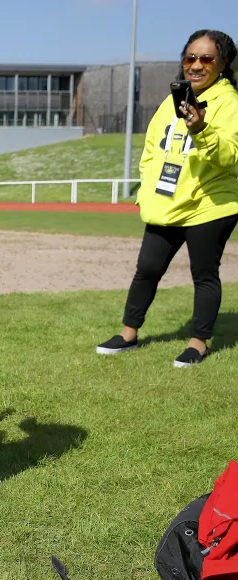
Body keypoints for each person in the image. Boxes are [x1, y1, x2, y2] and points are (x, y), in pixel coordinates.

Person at [96, 29, 238, 368]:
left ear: (223, 63)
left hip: (209, 204)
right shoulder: (172, 101)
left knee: (204, 273)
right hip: (167, 201)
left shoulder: (229, 103)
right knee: (146, 269)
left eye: (206, 58)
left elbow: (231, 155)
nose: (197, 65)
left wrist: (202, 129)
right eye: (190, 57)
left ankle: (198, 342)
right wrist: (147, 189)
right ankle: (128, 334)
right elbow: (151, 150)